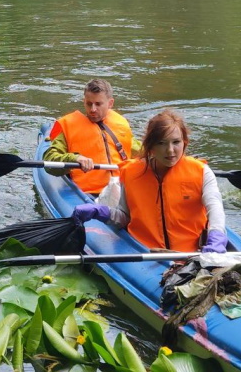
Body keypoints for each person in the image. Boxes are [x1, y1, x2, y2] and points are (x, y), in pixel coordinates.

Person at [71, 109, 228, 253]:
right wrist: (100, 212)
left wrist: (217, 236)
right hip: (145, 253)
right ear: (151, 146)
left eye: (176, 142)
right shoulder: (131, 173)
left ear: (184, 142)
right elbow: (124, 217)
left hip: (191, 254)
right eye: (162, 143)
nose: (170, 150)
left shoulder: (201, 172)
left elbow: (215, 208)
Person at [43, 79, 134, 194]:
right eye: (89, 103)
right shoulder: (68, 126)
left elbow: (138, 149)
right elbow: (50, 159)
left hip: (121, 188)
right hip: (89, 193)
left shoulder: (120, 124)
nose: (93, 109)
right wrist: (76, 158)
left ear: (110, 103)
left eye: (98, 104)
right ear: (84, 101)